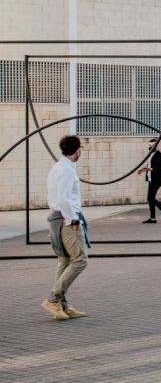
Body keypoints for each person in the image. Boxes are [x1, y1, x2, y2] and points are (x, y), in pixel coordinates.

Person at [42, 135, 89, 321]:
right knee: (80, 260)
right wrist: (73, 219)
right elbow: (63, 199)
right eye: (80, 149)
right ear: (77, 150)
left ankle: (61, 304)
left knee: (65, 260)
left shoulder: (59, 167)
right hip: (66, 219)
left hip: (58, 218)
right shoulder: (66, 170)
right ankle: (53, 299)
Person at [136, 138, 161, 224]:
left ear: (156, 146)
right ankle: (153, 218)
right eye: (149, 145)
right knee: (150, 198)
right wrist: (143, 170)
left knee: (150, 198)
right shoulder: (151, 155)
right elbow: (150, 166)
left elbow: (159, 169)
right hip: (151, 179)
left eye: (152, 146)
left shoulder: (159, 156)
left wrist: (148, 169)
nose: (150, 147)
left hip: (157, 179)